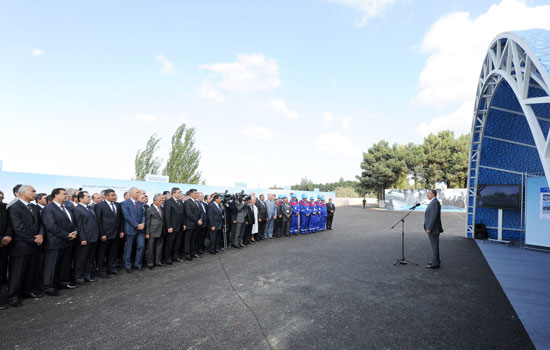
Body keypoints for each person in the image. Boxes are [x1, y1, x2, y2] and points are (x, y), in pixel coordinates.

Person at [6, 185, 44, 306]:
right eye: (32, 191)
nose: (35, 193)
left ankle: (29, 290)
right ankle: (14, 296)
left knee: (32, 270)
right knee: (17, 272)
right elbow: (18, 228)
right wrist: (33, 239)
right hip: (20, 246)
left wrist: (41, 235)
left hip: (35, 245)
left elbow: (41, 224)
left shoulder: (35, 207)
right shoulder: (14, 207)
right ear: (22, 193)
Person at [42, 188, 78, 295]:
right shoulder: (48, 208)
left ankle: (62, 282)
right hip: (55, 242)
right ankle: (49, 287)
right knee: (52, 266)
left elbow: (72, 222)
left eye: (66, 194)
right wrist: (66, 235)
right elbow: (51, 226)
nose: (66, 196)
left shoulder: (67, 207)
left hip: (68, 241)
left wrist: (74, 232)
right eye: (64, 194)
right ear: (55, 196)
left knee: (64, 264)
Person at [95, 189, 124, 276]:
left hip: (116, 233)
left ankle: (111, 268)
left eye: (114, 195)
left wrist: (121, 230)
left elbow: (120, 219)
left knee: (113, 252)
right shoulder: (99, 206)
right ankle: (101, 270)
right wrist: (102, 234)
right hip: (105, 234)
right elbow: (98, 221)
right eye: (112, 195)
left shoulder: (117, 205)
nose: (114, 197)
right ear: (106, 196)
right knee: (102, 253)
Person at [73, 191, 99, 284]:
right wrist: (82, 238)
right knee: (81, 259)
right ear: (80, 198)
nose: (89, 198)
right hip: (85, 239)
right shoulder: (77, 209)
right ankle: (79, 277)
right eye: (87, 197)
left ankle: (87, 275)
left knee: (90, 258)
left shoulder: (91, 208)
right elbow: (79, 225)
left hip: (93, 238)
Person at [121, 187, 146, 272]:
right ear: (131, 193)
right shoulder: (125, 203)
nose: (138, 194)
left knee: (141, 246)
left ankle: (137, 264)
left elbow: (143, 215)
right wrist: (136, 225)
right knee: (129, 248)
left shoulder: (139, 203)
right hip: (131, 229)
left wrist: (142, 224)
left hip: (140, 229)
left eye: (139, 192)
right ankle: (128, 266)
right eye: (137, 192)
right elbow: (126, 216)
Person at [163, 187, 184, 264]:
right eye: (178, 192)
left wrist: (183, 224)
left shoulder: (180, 202)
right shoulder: (168, 202)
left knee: (178, 243)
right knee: (170, 244)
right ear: (173, 193)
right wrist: (169, 226)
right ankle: (168, 258)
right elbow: (167, 215)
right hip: (172, 227)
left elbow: (182, 214)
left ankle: (176, 256)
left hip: (180, 226)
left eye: (180, 192)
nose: (180, 194)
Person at [424, 189, 443, 269]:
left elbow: (433, 217)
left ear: (433, 194)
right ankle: (436, 260)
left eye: (428, 193)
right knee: (434, 246)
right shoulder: (433, 202)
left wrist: (429, 228)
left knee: (434, 246)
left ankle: (435, 263)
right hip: (433, 228)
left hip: (433, 229)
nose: (427, 195)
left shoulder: (435, 202)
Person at [145, 194, 165, 269]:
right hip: (152, 232)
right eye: (159, 201)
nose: (161, 202)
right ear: (154, 201)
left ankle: (158, 261)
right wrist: (147, 233)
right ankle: (150, 263)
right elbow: (147, 222)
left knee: (159, 247)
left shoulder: (161, 209)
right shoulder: (149, 209)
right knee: (151, 248)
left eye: (161, 201)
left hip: (161, 231)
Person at [183, 189, 203, 260]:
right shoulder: (187, 202)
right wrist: (197, 220)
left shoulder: (197, 202)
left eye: (197, 193)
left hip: (197, 224)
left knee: (194, 239)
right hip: (190, 224)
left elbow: (200, 212)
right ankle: (187, 254)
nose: (196, 194)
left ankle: (193, 252)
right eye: (195, 193)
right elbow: (189, 213)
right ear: (191, 194)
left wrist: (200, 219)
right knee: (188, 240)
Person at [0, 190, 8, 309]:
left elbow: (9, 225)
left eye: (2, 198)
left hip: (4, 245)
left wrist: (7, 237)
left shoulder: (4, 209)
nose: (0, 200)